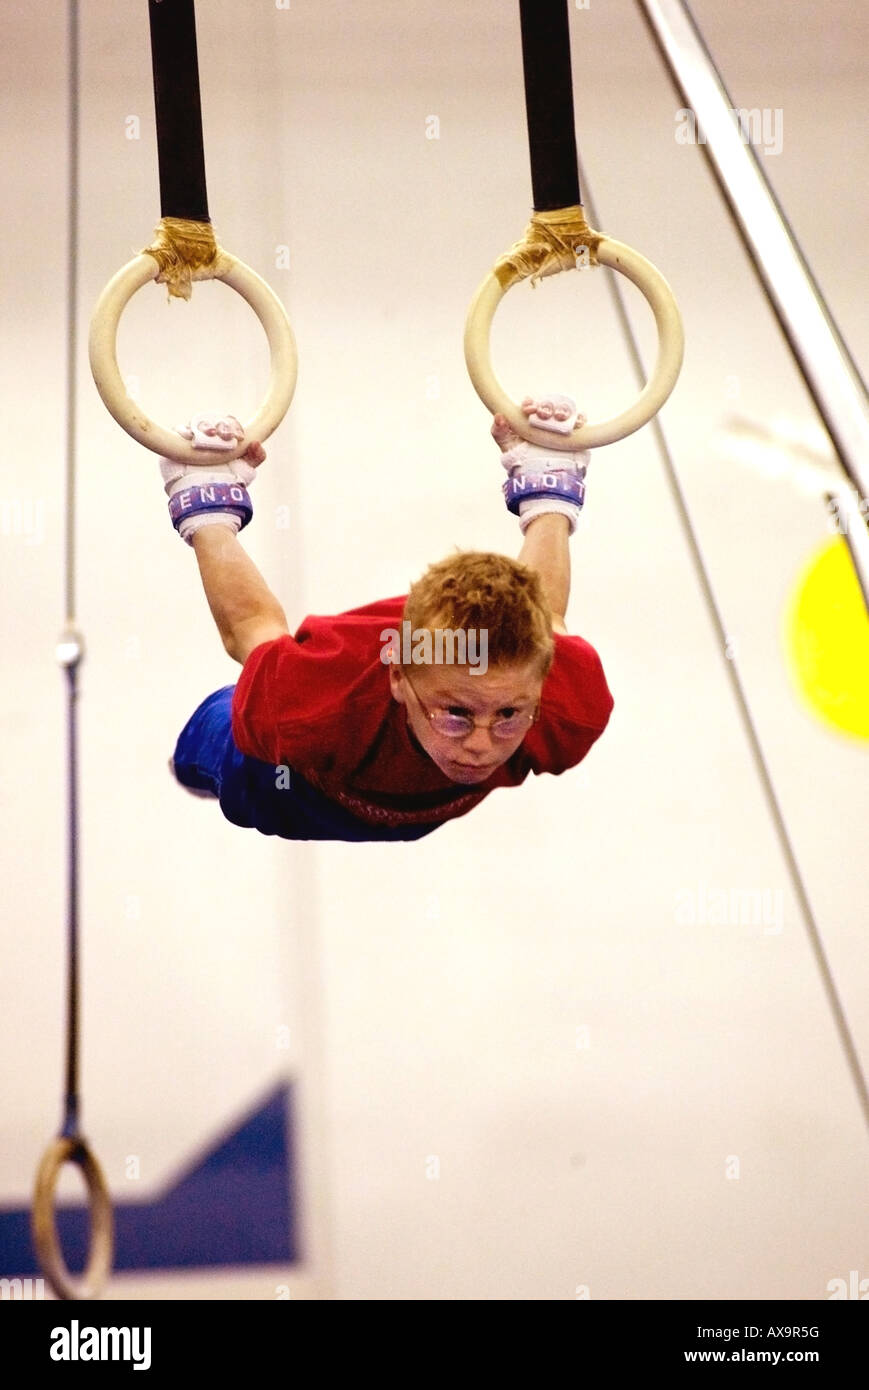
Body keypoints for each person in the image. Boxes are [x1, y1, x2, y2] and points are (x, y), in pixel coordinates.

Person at [164, 395, 613, 842]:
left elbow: (546, 614)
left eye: (510, 715)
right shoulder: (310, 697)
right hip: (283, 790)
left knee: (530, 629)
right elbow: (251, 628)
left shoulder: (569, 699)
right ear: (397, 676)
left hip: (423, 802)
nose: (481, 746)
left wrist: (549, 489)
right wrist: (207, 507)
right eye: (456, 714)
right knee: (193, 756)